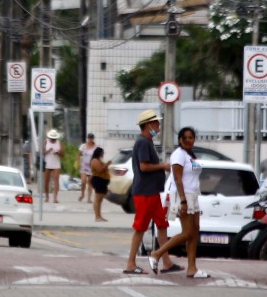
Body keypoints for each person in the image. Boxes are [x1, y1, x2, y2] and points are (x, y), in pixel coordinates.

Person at [123, 110, 177, 275]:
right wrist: (163, 166)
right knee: (140, 227)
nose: (158, 126)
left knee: (161, 225)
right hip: (145, 193)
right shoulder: (143, 143)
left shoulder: (147, 141)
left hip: (152, 192)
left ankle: (166, 262)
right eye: (156, 123)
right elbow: (144, 167)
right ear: (148, 125)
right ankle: (131, 263)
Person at [150, 127, 207, 278]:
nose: (189, 140)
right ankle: (156, 254)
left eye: (191, 138)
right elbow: (177, 178)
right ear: (180, 140)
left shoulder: (189, 155)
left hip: (193, 195)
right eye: (185, 138)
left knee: (195, 232)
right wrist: (183, 201)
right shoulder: (178, 155)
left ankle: (192, 268)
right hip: (183, 196)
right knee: (187, 232)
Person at [89, 146, 111, 222]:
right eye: (102, 153)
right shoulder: (95, 160)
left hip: (103, 180)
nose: (103, 154)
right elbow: (100, 170)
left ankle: (99, 216)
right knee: (98, 199)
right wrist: (107, 164)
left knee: (100, 199)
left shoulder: (99, 160)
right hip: (98, 180)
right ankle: (97, 216)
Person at [43, 129, 63, 203]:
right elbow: (42, 152)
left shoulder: (59, 143)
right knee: (46, 181)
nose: (53, 139)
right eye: (51, 138)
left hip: (56, 164)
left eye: (54, 138)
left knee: (56, 181)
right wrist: (48, 151)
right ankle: (47, 196)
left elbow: (63, 154)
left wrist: (57, 153)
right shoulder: (46, 141)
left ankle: (55, 197)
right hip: (47, 163)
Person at [78, 134, 97, 203]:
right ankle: (82, 194)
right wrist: (78, 162)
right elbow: (78, 154)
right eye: (89, 138)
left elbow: (98, 157)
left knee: (90, 182)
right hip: (84, 166)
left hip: (92, 167)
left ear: (93, 139)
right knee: (83, 181)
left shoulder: (96, 147)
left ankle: (89, 198)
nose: (90, 139)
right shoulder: (83, 146)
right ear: (87, 138)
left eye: (91, 138)